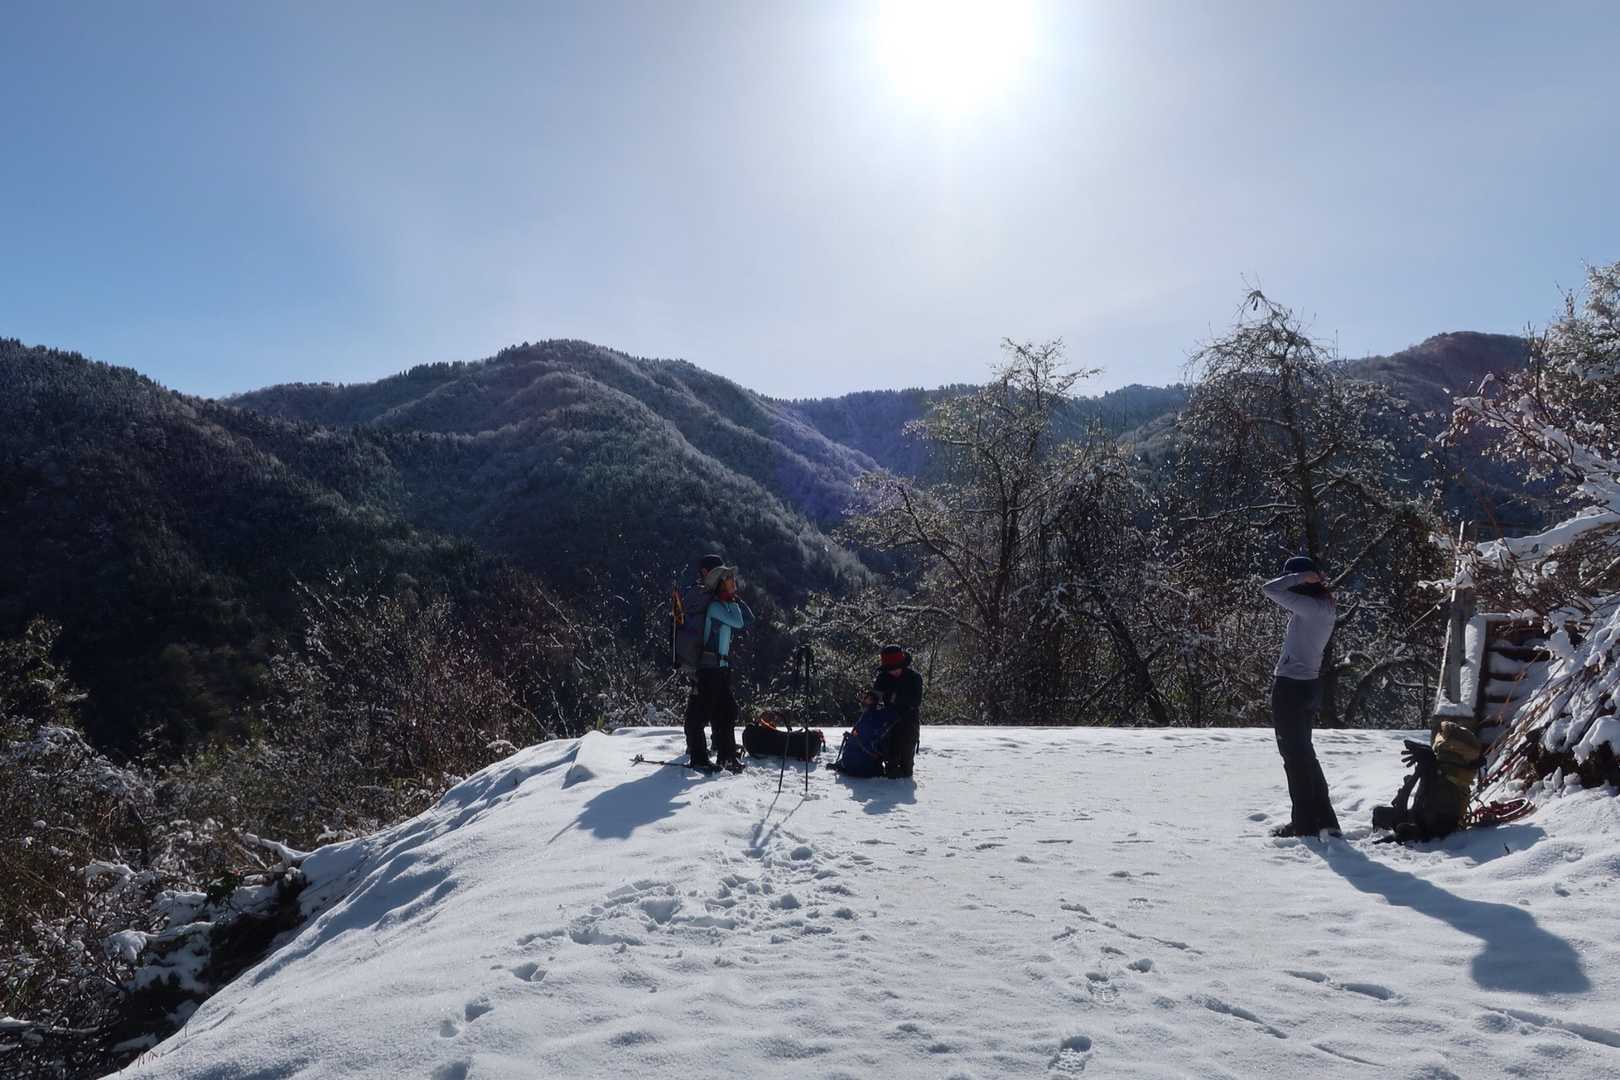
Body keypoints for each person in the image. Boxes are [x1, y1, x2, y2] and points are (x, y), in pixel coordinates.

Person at [1262, 555, 1340, 838]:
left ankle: (1304, 823)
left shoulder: (1310, 608)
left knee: (1294, 757)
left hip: (1291, 688)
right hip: (1308, 686)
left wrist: (1298, 577)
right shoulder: (1324, 607)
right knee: (1305, 754)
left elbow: (1269, 589)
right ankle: (1325, 819)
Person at [679, 555, 752, 771]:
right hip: (709, 669)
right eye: (728, 581)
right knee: (701, 714)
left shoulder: (722, 604)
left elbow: (748, 619)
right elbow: (739, 622)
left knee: (726, 712)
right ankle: (700, 758)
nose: (733, 584)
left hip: (719, 669)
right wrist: (733, 599)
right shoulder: (715, 607)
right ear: (719, 584)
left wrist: (731, 598)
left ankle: (726, 756)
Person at [869, 644, 923, 779]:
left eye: (895, 668)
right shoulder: (883, 678)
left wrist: (894, 698)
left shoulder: (914, 678)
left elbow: (916, 701)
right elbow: (875, 696)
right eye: (890, 669)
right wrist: (869, 700)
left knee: (906, 769)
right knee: (891, 768)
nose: (893, 672)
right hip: (889, 723)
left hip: (909, 722)